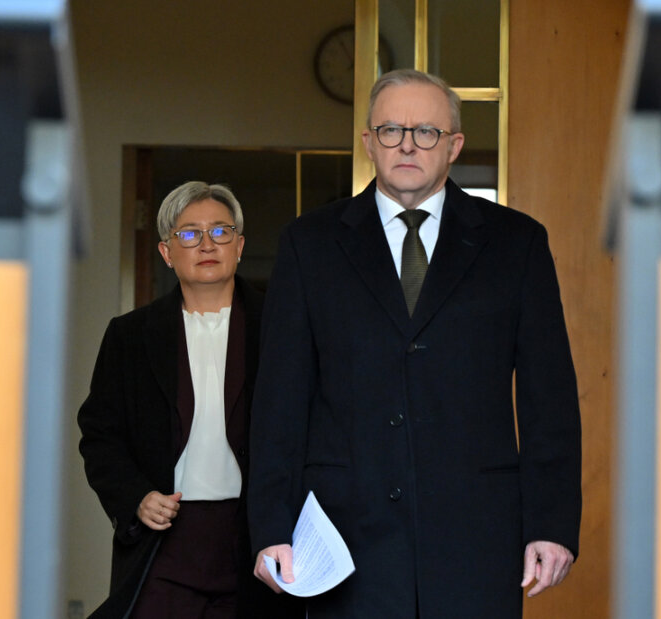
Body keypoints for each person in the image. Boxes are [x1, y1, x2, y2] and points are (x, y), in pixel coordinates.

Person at [248, 69, 582, 618]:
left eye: (425, 131)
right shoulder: (309, 244)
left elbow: (550, 399)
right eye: (390, 130)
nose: (406, 144)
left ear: (454, 146)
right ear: (367, 142)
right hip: (344, 541)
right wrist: (270, 525)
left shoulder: (516, 244)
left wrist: (551, 524)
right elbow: (280, 399)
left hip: (478, 537)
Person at [78, 181, 302, 619]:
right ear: (166, 252)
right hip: (165, 542)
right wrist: (136, 496)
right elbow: (100, 436)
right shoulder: (130, 335)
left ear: (239, 246)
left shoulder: (281, 326)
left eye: (220, 232)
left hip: (256, 539)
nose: (206, 244)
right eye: (188, 234)